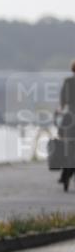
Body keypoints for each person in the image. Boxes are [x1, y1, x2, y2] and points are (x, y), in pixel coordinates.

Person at [57, 60, 75, 192]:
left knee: (67, 146)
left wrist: (60, 110)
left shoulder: (68, 81)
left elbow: (62, 101)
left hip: (70, 117)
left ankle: (65, 175)